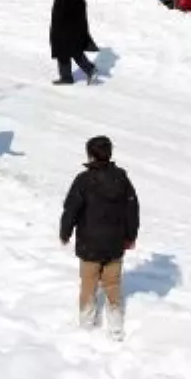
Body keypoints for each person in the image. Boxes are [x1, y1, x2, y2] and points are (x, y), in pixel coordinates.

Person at [59, 135, 139, 341]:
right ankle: (115, 325)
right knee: (112, 283)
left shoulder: (83, 180)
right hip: (114, 243)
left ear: (90, 155)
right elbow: (132, 209)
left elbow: (71, 209)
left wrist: (65, 232)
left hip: (89, 243)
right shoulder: (122, 179)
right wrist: (130, 235)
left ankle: (86, 321)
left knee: (89, 282)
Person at [50, 0, 98, 85]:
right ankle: (66, 77)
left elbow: (76, 3)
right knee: (63, 50)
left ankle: (90, 69)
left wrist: (66, 18)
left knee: (73, 49)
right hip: (63, 21)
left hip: (69, 22)